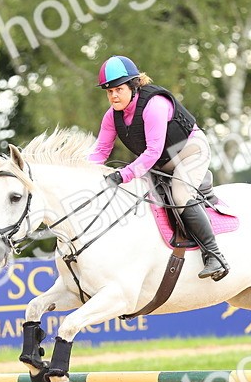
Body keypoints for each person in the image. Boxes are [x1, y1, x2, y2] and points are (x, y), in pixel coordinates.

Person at [88, 55, 230, 281]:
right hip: (162, 160)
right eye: (109, 91)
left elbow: (152, 152)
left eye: (119, 89)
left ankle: (215, 256)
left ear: (133, 86)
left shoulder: (154, 105)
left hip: (190, 151)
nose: (113, 95)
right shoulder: (111, 117)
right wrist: (85, 173)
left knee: (180, 194)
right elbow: (100, 151)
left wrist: (123, 174)